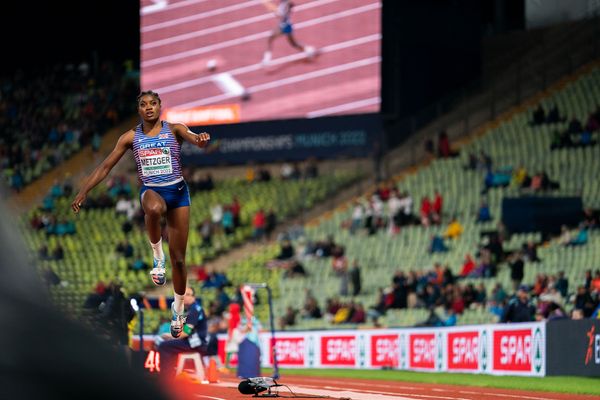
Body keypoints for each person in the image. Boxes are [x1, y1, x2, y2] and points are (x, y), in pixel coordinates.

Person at [71, 90, 210, 338]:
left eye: (153, 104)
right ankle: (158, 257)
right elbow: (105, 167)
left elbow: (193, 138)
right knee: (154, 209)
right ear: (139, 110)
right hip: (151, 191)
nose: (148, 108)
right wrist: (84, 191)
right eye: (144, 104)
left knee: (179, 260)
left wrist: (199, 140)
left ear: (160, 107)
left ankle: (178, 309)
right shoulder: (130, 137)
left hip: (178, 193)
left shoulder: (175, 129)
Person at [156, 287, 208, 378]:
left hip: (196, 343)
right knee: (169, 345)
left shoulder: (194, 310)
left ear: (194, 297)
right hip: (193, 342)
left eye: (188, 295)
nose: (185, 297)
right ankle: (170, 373)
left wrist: (170, 336)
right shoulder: (191, 309)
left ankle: (165, 377)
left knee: (164, 346)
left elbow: (186, 332)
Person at [261, 0, 315, 66]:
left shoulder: (286, 5)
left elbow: (279, 14)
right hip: (287, 25)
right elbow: (278, 11)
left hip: (284, 27)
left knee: (270, 38)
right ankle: (308, 49)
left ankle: (267, 59)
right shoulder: (284, 3)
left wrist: (267, 4)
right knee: (293, 44)